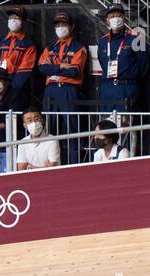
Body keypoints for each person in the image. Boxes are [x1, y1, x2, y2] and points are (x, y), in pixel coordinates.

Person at [38, 12, 88, 165]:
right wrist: (60, 66)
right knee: (50, 130)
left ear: (71, 27)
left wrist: (52, 68)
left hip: (69, 90)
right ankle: (52, 165)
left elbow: (75, 71)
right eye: (58, 25)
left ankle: (74, 165)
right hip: (51, 90)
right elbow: (41, 67)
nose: (60, 28)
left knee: (72, 130)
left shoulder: (79, 47)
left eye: (64, 25)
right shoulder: (50, 47)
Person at [96, 5, 149, 114]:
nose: (115, 18)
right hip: (107, 88)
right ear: (107, 20)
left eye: (119, 15)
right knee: (107, 125)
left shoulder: (137, 38)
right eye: (112, 16)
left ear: (124, 18)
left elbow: (144, 66)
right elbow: (102, 63)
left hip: (128, 88)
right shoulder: (103, 41)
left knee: (128, 126)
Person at [0, 5, 37, 112]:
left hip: (17, 87)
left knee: (14, 118)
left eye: (17, 18)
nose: (13, 20)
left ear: (23, 21)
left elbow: (24, 70)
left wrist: (8, 87)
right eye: (11, 17)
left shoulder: (28, 44)